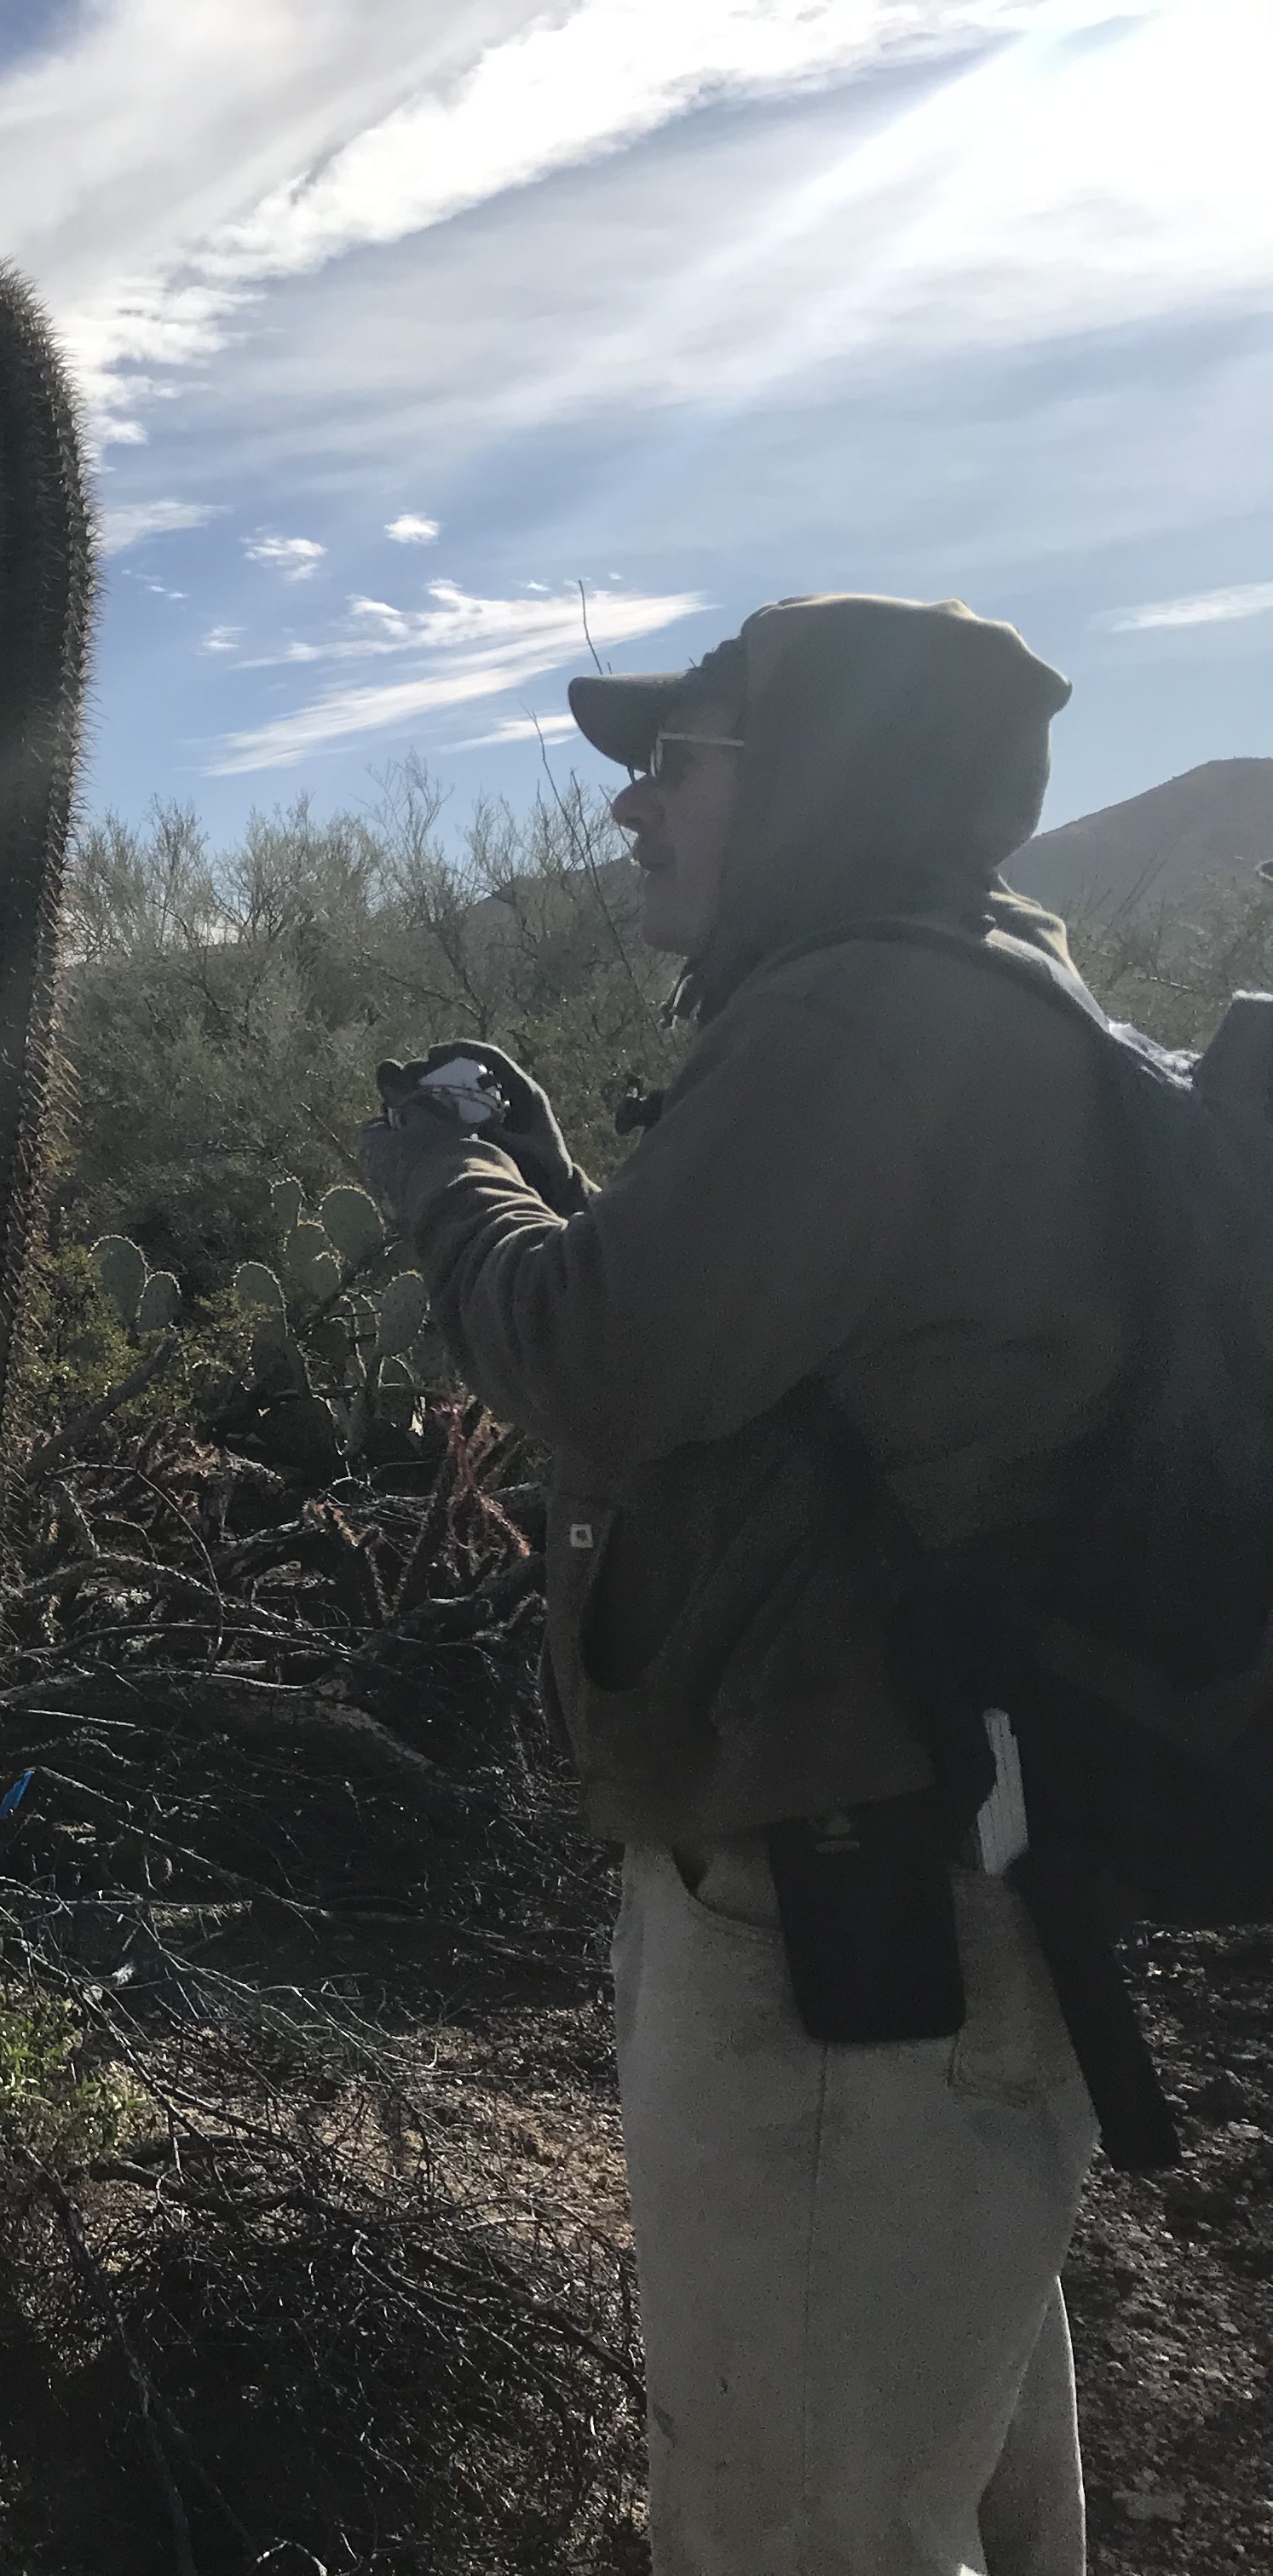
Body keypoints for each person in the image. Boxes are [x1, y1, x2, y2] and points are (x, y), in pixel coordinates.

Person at [355, 594, 1128, 2574]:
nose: (628, 812)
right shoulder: (931, 990)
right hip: (921, 1872)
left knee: (801, 2520)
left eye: (670, 767)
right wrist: (560, 1189)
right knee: (935, 2465)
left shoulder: (862, 1020)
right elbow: (755, 1361)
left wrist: (446, 1178)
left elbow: (602, 1354)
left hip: (842, 1930)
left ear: (812, 788)